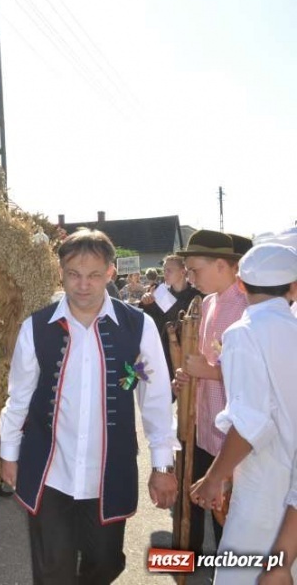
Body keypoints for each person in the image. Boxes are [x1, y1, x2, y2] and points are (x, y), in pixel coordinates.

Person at [0, 228, 177, 585]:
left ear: (111, 272)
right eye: (74, 275)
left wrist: (162, 465)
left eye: (94, 275)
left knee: (106, 563)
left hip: (108, 472)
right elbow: (18, 397)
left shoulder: (137, 326)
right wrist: (9, 454)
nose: (83, 285)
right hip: (50, 470)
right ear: (61, 273)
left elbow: (155, 399)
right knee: (53, 571)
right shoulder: (35, 328)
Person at [190, 243, 297, 584]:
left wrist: (214, 477)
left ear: (240, 284)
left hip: (265, 483)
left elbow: (251, 424)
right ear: (293, 287)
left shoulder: (243, 332)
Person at [173, 229, 248, 553]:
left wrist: (211, 372)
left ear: (222, 264)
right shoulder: (207, 304)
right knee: (197, 506)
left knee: (229, 520)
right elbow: (204, 362)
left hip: (233, 439)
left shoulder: (246, 306)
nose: (190, 278)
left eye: (195, 270)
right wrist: (188, 377)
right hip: (203, 430)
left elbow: (259, 378)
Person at [140, 255, 199, 380]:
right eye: (164, 270)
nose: (165, 274)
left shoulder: (196, 296)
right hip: (166, 352)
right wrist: (146, 304)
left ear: (183, 272)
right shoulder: (159, 294)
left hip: (190, 351)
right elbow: (152, 323)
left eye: (169, 270)